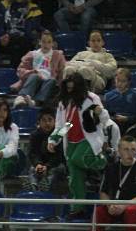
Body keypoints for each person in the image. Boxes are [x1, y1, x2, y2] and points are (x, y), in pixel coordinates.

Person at [48, 72, 108, 220]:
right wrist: (53, 140)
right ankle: (78, 208)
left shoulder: (92, 98)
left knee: (77, 159)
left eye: (72, 88)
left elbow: (103, 118)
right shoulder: (63, 102)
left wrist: (101, 112)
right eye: (67, 88)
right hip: (71, 142)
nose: (70, 91)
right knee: (74, 178)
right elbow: (63, 125)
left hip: (89, 138)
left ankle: (103, 161)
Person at [95, 135, 136, 231]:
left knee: (131, 211)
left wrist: (124, 206)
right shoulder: (110, 168)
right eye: (126, 149)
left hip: (133, 207)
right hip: (113, 206)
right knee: (99, 211)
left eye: (133, 149)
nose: (130, 153)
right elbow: (103, 192)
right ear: (119, 151)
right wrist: (109, 206)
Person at [0, 0, 42, 68]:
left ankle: (17, 72)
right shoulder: (3, 5)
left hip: (25, 40)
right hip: (6, 40)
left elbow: (31, 29)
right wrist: (3, 35)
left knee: (21, 43)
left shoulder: (33, 8)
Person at [12, 29, 66, 108]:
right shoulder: (32, 54)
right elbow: (20, 71)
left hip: (49, 82)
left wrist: (61, 88)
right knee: (35, 76)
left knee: (52, 80)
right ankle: (22, 97)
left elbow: (62, 72)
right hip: (34, 80)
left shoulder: (58, 55)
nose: (46, 44)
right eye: (43, 41)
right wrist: (32, 72)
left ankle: (35, 102)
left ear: (53, 44)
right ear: (39, 42)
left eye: (49, 42)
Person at [28, 107, 66, 192]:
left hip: (56, 165)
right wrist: (38, 164)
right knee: (32, 169)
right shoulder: (34, 135)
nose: (47, 123)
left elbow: (59, 156)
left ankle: (46, 186)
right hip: (41, 165)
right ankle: (33, 186)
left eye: (50, 120)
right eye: (44, 120)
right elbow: (33, 154)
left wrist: (47, 167)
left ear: (55, 121)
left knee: (56, 170)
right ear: (39, 122)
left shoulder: (59, 135)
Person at [0, 98, 19, 196]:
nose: (2, 113)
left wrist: (0, 153)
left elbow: (12, 148)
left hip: (7, 160)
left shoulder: (13, 127)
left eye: (5, 110)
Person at [105, 68, 136, 134]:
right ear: (114, 80)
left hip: (130, 125)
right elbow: (105, 114)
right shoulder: (108, 96)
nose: (120, 83)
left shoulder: (134, 95)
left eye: (123, 81)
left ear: (128, 82)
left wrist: (127, 118)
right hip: (113, 123)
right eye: (118, 80)